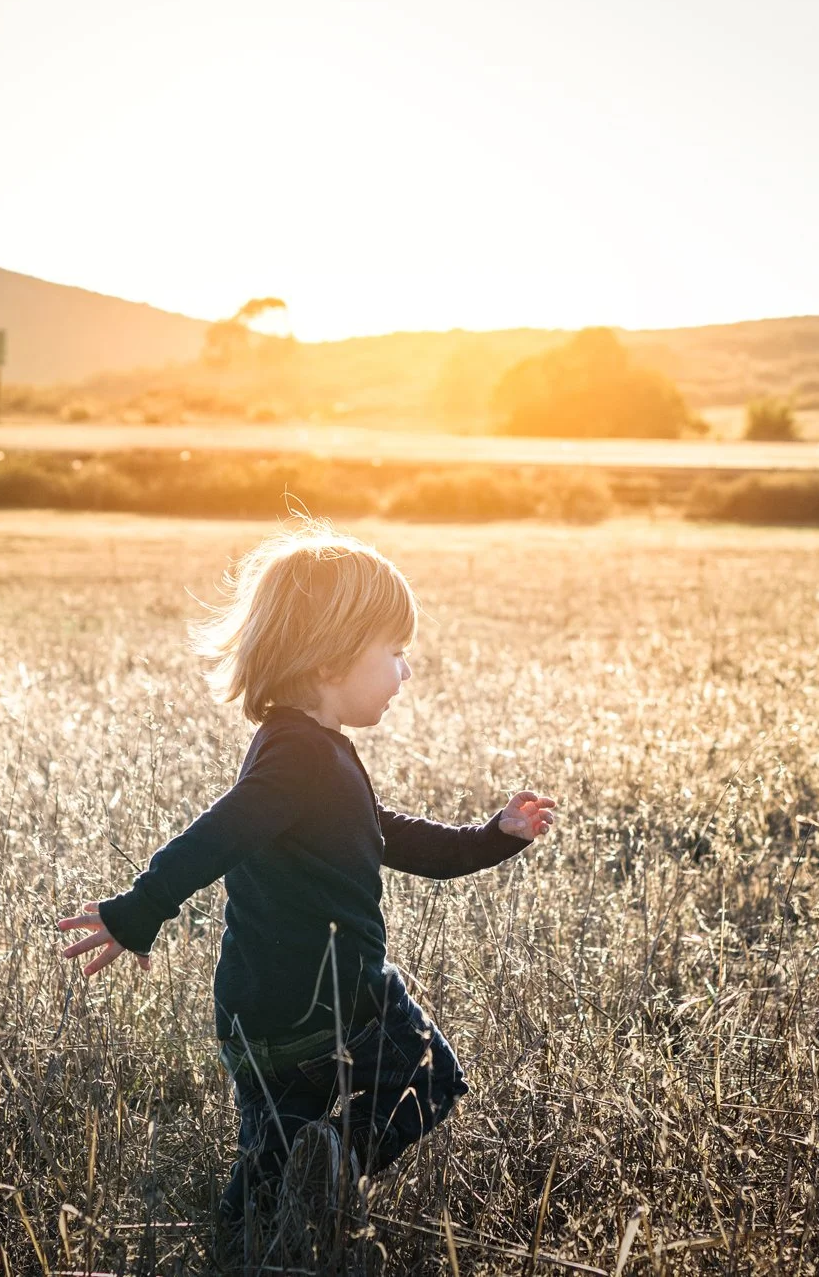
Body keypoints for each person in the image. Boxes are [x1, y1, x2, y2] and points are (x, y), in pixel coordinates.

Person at [55, 521, 556, 1250]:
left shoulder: (302, 751)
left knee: (266, 1163)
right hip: (342, 996)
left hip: (259, 1016)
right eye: (394, 652)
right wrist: (139, 909)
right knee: (429, 1076)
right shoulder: (300, 756)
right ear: (329, 660)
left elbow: (393, 836)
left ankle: (256, 1220)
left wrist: (491, 838)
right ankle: (336, 1165)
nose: (405, 671)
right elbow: (217, 835)